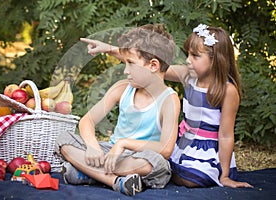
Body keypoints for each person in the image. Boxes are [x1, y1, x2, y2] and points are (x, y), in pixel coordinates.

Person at [81, 24, 253, 188]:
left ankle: (94, 171)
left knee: (192, 178)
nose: (188, 60)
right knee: (170, 168)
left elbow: (225, 135)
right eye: (188, 54)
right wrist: (109, 49)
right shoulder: (188, 75)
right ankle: (110, 172)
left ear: (215, 60)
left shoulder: (227, 90)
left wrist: (224, 176)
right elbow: (147, 61)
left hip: (208, 147)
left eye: (195, 56)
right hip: (184, 143)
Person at [55, 24, 181, 196]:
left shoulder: (169, 100)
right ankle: (115, 181)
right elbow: (87, 121)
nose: (125, 70)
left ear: (153, 65)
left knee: (156, 164)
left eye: (130, 63)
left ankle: (89, 172)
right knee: (64, 139)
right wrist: (93, 147)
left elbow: (165, 149)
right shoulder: (122, 88)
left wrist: (124, 144)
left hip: (138, 158)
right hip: (110, 153)